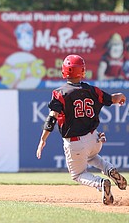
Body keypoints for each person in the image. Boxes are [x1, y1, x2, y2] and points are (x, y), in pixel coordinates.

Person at [36, 54, 127, 205]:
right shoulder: (92, 90)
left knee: (77, 174)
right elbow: (114, 98)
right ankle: (110, 169)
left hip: (76, 142)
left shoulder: (60, 93)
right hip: (94, 139)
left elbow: (52, 118)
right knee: (91, 157)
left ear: (64, 71)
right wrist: (121, 96)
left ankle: (100, 183)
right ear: (83, 71)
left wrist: (42, 139)